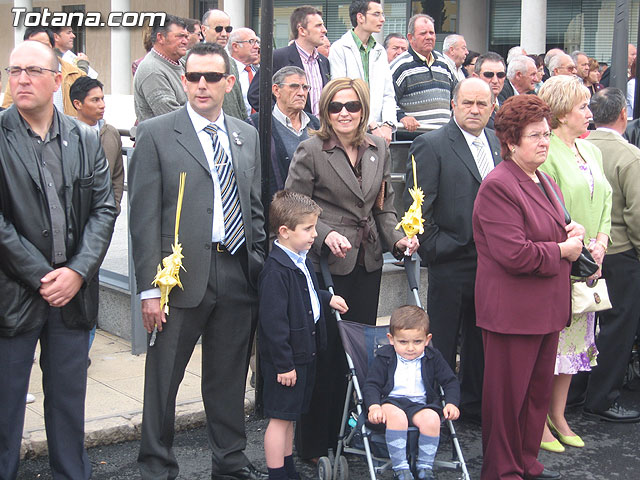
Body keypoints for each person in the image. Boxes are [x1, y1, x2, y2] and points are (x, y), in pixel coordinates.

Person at [129, 42, 267, 480]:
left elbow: (255, 205)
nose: (201, 85)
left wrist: (257, 261)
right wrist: (151, 289)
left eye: (211, 77)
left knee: (227, 377)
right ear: (183, 80)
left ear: (230, 82)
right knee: (164, 379)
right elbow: (144, 217)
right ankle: (156, 465)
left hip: (236, 271)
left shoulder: (247, 134)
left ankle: (229, 461)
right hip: (179, 278)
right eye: (193, 77)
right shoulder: (155, 133)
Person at [0, 40, 117, 479]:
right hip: (12, 294)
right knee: (5, 407)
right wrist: (41, 275)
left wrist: (77, 271)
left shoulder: (86, 138)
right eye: (14, 71)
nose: (22, 79)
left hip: (74, 296)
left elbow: (105, 209)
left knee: (69, 406)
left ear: (55, 81)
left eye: (32, 70)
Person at [285, 77, 418, 459]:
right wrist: (323, 233)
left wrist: (399, 240)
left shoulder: (379, 147)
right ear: (325, 111)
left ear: (363, 109)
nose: (344, 113)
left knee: (358, 353)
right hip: (327, 264)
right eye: (335, 107)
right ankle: (314, 443)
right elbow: (294, 203)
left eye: (352, 106)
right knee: (327, 353)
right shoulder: (311, 150)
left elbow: (384, 207)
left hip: (368, 261)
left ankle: (349, 433)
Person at [474, 94, 585, 480]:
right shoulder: (498, 185)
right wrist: (562, 249)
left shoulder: (545, 179)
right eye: (534, 135)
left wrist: (573, 233)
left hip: (545, 310)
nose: (544, 141)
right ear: (510, 141)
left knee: (535, 399)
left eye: (546, 133)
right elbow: (514, 254)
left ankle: (525, 464)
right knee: (507, 403)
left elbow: (550, 233)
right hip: (512, 313)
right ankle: (502, 471)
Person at [406, 78, 501, 424]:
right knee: (443, 340)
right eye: (467, 103)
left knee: (481, 339)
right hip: (450, 260)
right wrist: (436, 249)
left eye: (482, 104)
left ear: (492, 107)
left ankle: (472, 405)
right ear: (453, 105)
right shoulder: (430, 145)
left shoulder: (496, 141)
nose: (475, 110)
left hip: (492, 263)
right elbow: (417, 208)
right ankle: (437, 410)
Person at [538, 75, 612, 452]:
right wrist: (580, 248)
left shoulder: (592, 150)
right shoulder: (545, 150)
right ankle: (539, 423)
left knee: (575, 347)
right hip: (561, 260)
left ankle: (559, 414)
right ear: (562, 112)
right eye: (583, 106)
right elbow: (550, 210)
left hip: (590, 263)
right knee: (551, 347)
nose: (589, 112)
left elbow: (606, 201)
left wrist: (600, 243)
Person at [259, 190, 348, 480]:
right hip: (287, 362)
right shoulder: (277, 270)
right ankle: (277, 474)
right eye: (308, 229)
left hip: (302, 355)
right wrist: (284, 364)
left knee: (290, 417)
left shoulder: (300, 259)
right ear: (284, 232)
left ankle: (287, 468)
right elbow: (274, 323)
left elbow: (303, 297)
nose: (314, 235)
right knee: (280, 419)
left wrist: (325, 298)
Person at [582, 88, 640, 422]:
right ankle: (603, 397)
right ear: (623, 114)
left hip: (586, 250)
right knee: (618, 328)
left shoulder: (579, 148)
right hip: (619, 251)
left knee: (583, 323)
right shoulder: (628, 155)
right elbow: (636, 214)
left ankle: (577, 392)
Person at [364, 305, 460, 480]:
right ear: (391, 339)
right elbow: (372, 385)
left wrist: (452, 403)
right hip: (391, 402)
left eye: (417, 342)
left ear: (427, 339)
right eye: (403, 342)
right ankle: (400, 467)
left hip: (421, 404)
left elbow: (450, 381)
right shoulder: (385, 357)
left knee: (432, 419)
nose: (410, 348)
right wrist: (374, 406)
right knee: (397, 417)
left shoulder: (432, 356)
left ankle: (424, 467)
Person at [329, 0, 397, 144]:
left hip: (379, 133)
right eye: (376, 14)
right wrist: (372, 125)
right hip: (351, 129)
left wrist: (388, 124)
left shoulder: (380, 51)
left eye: (382, 14)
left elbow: (388, 93)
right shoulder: (339, 48)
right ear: (360, 17)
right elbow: (342, 93)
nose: (382, 19)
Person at [248, 66, 320, 197]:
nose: (301, 93)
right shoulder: (256, 125)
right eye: (294, 86)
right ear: (276, 90)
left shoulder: (315, 124)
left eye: (305, 87)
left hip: (314, 211)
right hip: (277, 211)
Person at [249, 6, 330, 117]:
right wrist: (281, 119)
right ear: (302, 30)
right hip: (289, 130)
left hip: (320, 130)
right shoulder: (278, 58)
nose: (324, 30)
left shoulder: (323, 61)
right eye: (318, 26)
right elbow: (255, 94)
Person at [390, 14, 456, 136]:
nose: (429, 37)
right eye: (423, 33)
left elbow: (457, 96)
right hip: (415, 141)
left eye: (432, 33)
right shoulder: (400, 66)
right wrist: (402, 117)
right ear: (410, 38)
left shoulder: (444, 63)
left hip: (445, 139)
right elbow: (386, 100)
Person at [2, 26, 86, 117]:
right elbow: (7, 109)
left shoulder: (76, 74)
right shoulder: (19, 77)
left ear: (52, 46)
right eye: (33, 46)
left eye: (44, 45)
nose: (38, 50)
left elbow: (87, 109)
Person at [133, 15, 188, 123]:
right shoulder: (152, 70)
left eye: (186, 37)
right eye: (180, 36)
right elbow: (171, 117)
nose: (185, 41)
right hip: (164, 139)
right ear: (161, 37)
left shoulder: (182, 64)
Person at [201, 9, 247, 120]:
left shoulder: (231, 62)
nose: (224, 34)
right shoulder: (192, 60)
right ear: (203, 30)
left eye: (228, 29)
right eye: (218, 29)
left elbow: (239, 101)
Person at [228, 28, 261, 117]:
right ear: (235, 46)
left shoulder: (259, 72)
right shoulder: (227, 72)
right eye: (251, 42)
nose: (257, 46)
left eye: (257, 42)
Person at [473, 52, 506, 129]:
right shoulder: (469, 109)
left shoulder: (507, 108)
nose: (495, 80)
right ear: (475, 77)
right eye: (488, 75)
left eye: (500, 75)